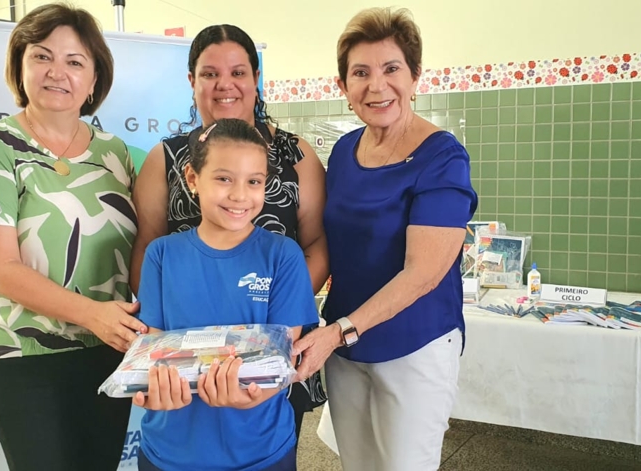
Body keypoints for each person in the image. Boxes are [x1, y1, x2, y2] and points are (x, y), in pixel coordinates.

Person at [0, 4, 146, 470]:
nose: (56, 72)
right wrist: (92, 315)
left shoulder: (115, 153)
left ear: (95, 80)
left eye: (75, 61)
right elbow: (1, 268)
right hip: (25, 355)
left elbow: (150, 241)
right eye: (42, 57)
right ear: (20, 67)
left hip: (108, 350)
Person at [292, 7, 478, 471]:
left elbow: (423, 273)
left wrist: (340, 330)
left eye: (391, 69)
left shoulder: (442, 157)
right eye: (361, 73)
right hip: (345, 350)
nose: (377, 86)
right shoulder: (343, 152)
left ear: (415, 76)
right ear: (343, 87)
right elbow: (328, 245)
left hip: (415, 345)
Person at [130, 24, 329, 441]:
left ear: (256, 79)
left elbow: (315, 244)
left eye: (239, 72)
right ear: (192, 81)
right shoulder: (165, 158)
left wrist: (267, 320)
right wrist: (169, 343)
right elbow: (148, 247)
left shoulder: (297, 154)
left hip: (268, 340)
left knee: (261, 430)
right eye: (209, 73)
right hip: (184, 352)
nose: (225, 84)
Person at [132, 118, 318, 471]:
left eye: (254, 182)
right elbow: (154, 347)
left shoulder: (283, 255)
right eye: (223, 178)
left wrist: (251, 397)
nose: (239, 195)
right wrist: (154, 387)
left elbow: (281, 357)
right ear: (192, 179)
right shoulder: (161, 255)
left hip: (260, 450)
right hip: (171, 452)